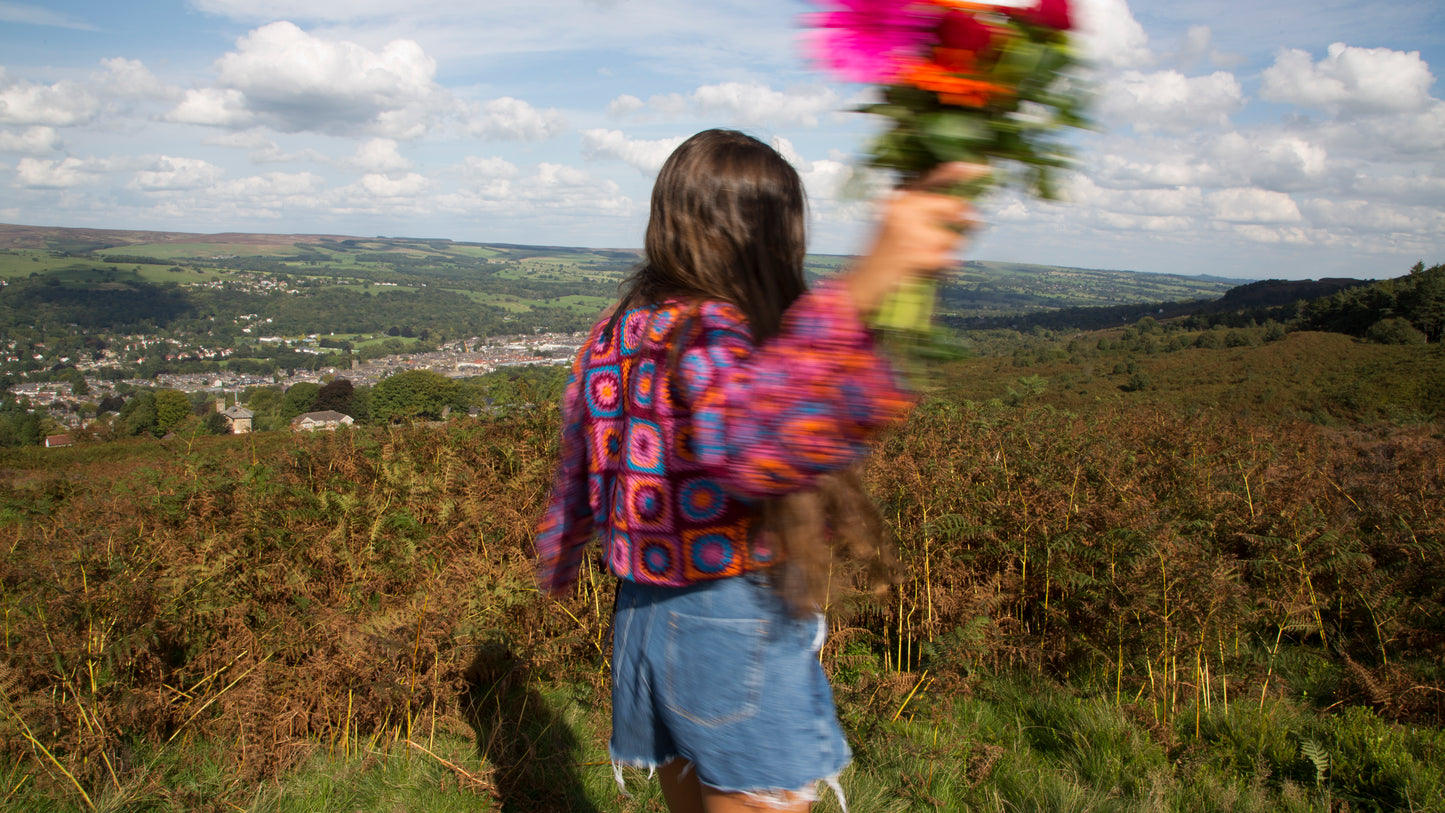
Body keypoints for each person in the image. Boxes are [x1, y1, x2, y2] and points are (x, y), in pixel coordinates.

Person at [535, 128, 979, 812]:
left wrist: (560, 556)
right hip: (726, 614)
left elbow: (577, 460)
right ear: (770, 237)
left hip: (639, 616)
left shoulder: (616, 329)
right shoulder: (712, 329)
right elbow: (750, 445)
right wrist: (870, 285)